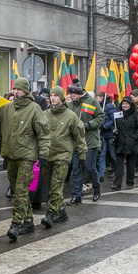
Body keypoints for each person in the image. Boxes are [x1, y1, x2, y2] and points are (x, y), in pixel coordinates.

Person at [0, 77, 50, 240]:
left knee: (20, 190)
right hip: (11, 155)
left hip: (27, 156)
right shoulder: (7, 108)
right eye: (14, 89)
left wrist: (44, 153)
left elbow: (44, 132)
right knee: (17, 190)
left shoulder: (34, 109)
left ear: (25, 91)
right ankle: (28, 221)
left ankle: (16, 223)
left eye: (19, 89)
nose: (15, 91)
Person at [42, 86, 85, 227]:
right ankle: (62, 212)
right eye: (51, 95)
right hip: (47, 155)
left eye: (56, 95)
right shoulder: (44, 115)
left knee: (56, 185)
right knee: (51, 185)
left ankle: (50, 214)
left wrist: (82, 155)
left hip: (63, 155)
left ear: (61, 98)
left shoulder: (70, 116)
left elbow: (79, 136)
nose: (53, 98)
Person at [66, 84, 103, 204]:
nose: (70, 96)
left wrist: (88, 125)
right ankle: (76, 195)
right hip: (76, 143)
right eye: (69, 93)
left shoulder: (91, 101)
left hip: (89, 141)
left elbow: (101, 117)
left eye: (72, 93)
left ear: (79, 93)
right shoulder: (70, 105)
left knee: (89, 167)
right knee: (76, 169)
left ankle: (97, 188)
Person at [112, 96, 138, 190]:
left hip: (131, 142)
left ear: (130, 105)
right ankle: (117, 184)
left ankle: (130, 183)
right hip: (120, 142)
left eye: (127, 104)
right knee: (118, 164)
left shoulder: (135, 114)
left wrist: (134, 137)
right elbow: (114, 124)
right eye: (123, 104)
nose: (125, 105)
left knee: (130, 164)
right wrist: (113, 130)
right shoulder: (118, 114)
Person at [97, 91, 116, 182]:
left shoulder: (108, 107)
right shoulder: (99, 107)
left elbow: (114, 119)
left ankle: (116, 171)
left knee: (112, 154)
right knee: (102, 154)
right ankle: (101, 175)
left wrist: (105, 126)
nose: (96, 100)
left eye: (98, 98)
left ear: (102, 98)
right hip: (102, 135)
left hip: (110, 134)